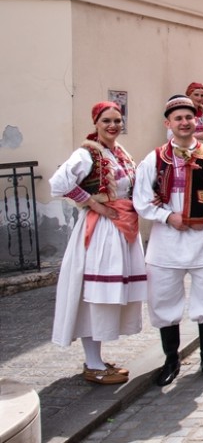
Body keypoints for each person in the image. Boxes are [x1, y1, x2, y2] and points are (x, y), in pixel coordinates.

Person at [134, 95, 203, 386]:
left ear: (196, 122)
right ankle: (171, 360)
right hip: (167, 241)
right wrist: (169, 217)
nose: (184, 122)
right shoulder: (154, 159)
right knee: (164, 300)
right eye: (178, 118)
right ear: (168, 124)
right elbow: (141, 200)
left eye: (188, 117)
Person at [50, 102, 145, 385]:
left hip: (122, 229)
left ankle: (97, 359)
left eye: (117, 120)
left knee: (109, 294)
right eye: (106, 121)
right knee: (95, 294)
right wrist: (93, 204)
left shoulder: (119, 152)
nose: (113, 125)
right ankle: (92, 363)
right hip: (102, 231)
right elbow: (59, 183)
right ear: (96, 123)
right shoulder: (87, 152)